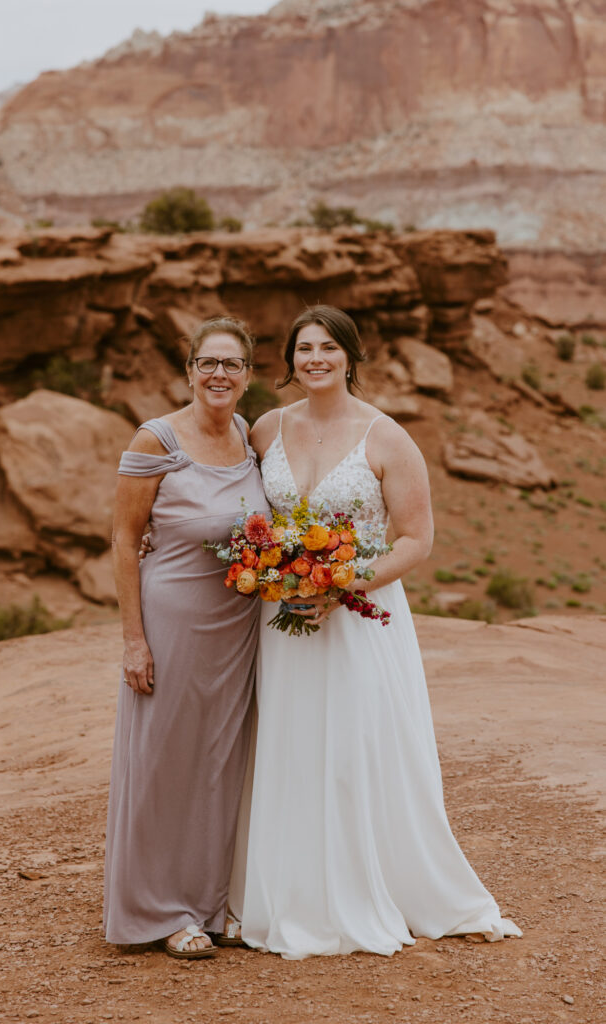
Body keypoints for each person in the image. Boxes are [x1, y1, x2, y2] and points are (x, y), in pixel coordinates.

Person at [228, 304, 521, 959]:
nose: (314, 359)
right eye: (303, 348)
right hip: (281, 620)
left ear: (350, 358)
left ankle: (374, 886)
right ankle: (282, 890)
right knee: (286, 744)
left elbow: (417, 538)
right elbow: (235, 505)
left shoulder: (386, 437)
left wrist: (344, 584)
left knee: (355, 749)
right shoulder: (266, 429)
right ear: (289, 361)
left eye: (328, 347)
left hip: (360, 621)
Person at [103, 316, 269, 959]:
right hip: (172, 621)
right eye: (209, 363)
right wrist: (132, 640)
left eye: (232, 365)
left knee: (221, 765)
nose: (219, 375)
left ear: (248, 376)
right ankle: (160, 911)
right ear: (190, 370)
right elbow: (123, 540)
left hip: (237, 627)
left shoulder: (249, 437)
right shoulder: (156, 439)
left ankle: (209, 906)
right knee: (165, 764)